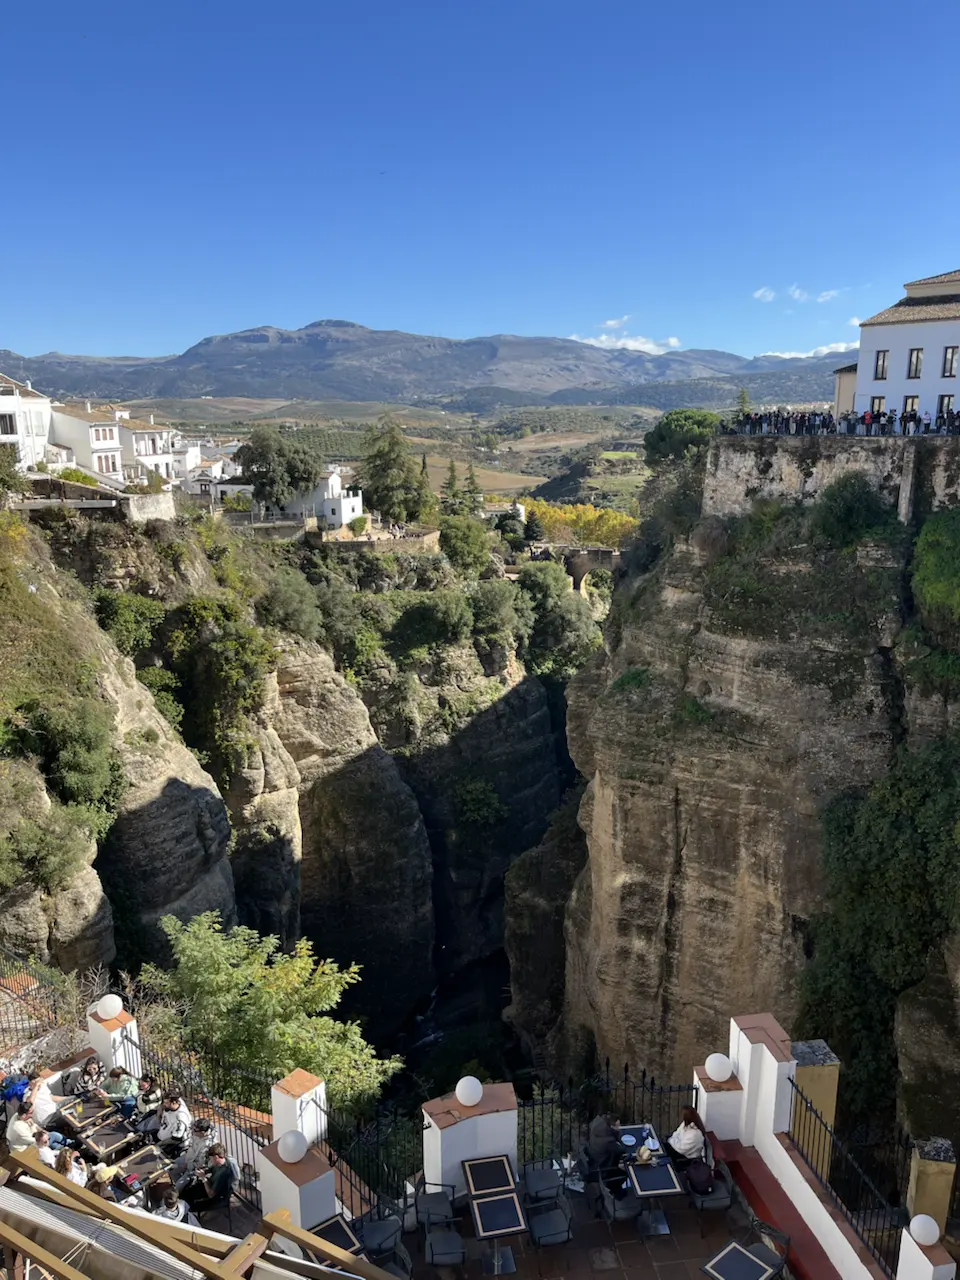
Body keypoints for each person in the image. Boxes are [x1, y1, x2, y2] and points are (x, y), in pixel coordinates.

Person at [181, 1143, 237, 1214]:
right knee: (187, 1191)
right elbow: (212, 1169)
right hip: (210, 1186)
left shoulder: (223, 1173)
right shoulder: (220, 1163)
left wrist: (203, 1178)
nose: (210, 1161)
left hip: (217, 1197)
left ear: (216, 1157)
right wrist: (203, 1171)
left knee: (192, 1206)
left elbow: (211, 1195)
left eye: (211, 1158)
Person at [173, 1117, 216, 1190]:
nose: (193, 1131)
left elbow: (202, 1164)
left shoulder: (208, 1146)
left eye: (195, 1130)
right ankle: (180, 1186)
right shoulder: (196, 1135)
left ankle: (179, 1190)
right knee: (171, 1168)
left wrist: (188, 1165)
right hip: (187, 1158)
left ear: (202, 1132)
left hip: (194, 1168)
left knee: (176, 1188)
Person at [156, 1092, 192, 1156]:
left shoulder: (181, 1117)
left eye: (167, 1103)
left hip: (171, 1145)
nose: (164, 1104)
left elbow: (176, 1139)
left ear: (174, 1103)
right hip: (161, 1135)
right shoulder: (171, 1104)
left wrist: (160, 1144)